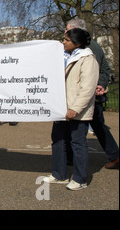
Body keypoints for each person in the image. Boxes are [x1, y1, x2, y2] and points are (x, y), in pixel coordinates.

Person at [44, 28, 98, 190]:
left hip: (76, 111)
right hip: (61, 108)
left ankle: (80, 179)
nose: (64, 42)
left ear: (77, 43)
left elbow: (87, 88)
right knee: (58, 140)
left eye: (67, 40)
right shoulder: (64, 57)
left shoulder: (88, 59)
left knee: (78, 143)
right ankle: (59, 174)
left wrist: (75, 108)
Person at [66, 18, 119, 169]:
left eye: (68, 29)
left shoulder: (88, 49)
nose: (65, 32)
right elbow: (105, 69)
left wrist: (99, 85)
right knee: (97, 126)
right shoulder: (87, 47)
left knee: (84, 128)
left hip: (87, 97)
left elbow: (102, 69)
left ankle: (73, 160)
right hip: (88, 95)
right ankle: (114, 155)